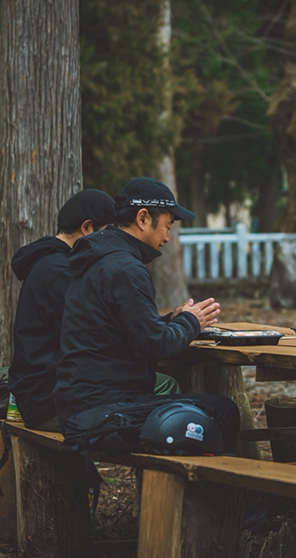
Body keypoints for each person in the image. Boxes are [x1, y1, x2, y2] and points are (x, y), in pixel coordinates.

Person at [54, 177, 240, 453]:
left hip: (81, 403)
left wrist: (171, 321)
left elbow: (119, 329)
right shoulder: (125, 268)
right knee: (223, 411)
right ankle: (204, 495)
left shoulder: (101, 258)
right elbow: (154, 346)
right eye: (167, 226)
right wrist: (191, 321)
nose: (167, 237)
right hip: (101, 411)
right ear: (143, 218)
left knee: (204, 409)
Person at [8, 189, 115, 431]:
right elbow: (100, 334)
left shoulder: (50, 263)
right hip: (50, 400)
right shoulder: (61, 272)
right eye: (109, 233)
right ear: (87, 228)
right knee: (162, 388)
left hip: (43, 392)